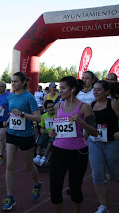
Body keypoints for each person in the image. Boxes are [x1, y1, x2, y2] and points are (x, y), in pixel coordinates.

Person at [48, 76, 97, 213]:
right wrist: (53, 132)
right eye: (59, 88)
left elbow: (94, 132)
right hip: (58, 151)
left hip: (78, 152)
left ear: (73, 89)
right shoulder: (58, 106)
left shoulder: (84, 107)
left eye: (63, 88)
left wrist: (80, 122)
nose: (60, 91)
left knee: (75, 188)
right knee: (55, 187)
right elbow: (58, 128)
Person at [2, 72, 42, 211]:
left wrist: (23, 114)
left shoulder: (29, 97)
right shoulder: (11, 96)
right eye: (12, 81)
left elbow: (38, 118)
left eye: (16, 82)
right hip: (12, 134)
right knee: (9, 166)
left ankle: (37, 184)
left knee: (28, 165)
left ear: (23, 82)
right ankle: (9, 196)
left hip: (26, 135)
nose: (13, 84)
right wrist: (9, 120)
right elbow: (14, 114)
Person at [88, 80, 119, 213]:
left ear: (107, 92)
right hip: (94, 142)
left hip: (111, 143)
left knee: (115, 173)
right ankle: (103, 206)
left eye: (99, 90)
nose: (95, 92)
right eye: (94, 89)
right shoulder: (91, 105)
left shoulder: (113, 103)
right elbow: (89, 125)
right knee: (97, 174)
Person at [33, 100, 56, 167]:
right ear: (46, 109)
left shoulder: (57, 115)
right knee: (40, 141)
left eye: (52, 106)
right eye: (49, 107)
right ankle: (37, 156)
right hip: (46, 133)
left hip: (54, 134)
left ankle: (44, 158)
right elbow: (41, 127)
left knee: (50, 142)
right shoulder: (44, 116)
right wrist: (42, 129)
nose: (52, 108)